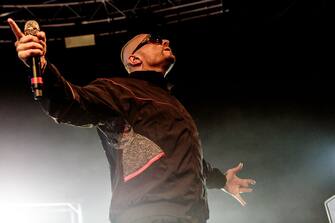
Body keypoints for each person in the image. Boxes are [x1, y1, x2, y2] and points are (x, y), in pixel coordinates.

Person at [8, 18, 256, 223]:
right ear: (134, 60)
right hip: (148, 214)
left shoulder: (171, 103)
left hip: (189, 215)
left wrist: (222, 180)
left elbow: (184, 159)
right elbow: (70, 102)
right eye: (155, 41)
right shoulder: (117, 90)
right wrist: (40, 65)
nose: (166, 41)